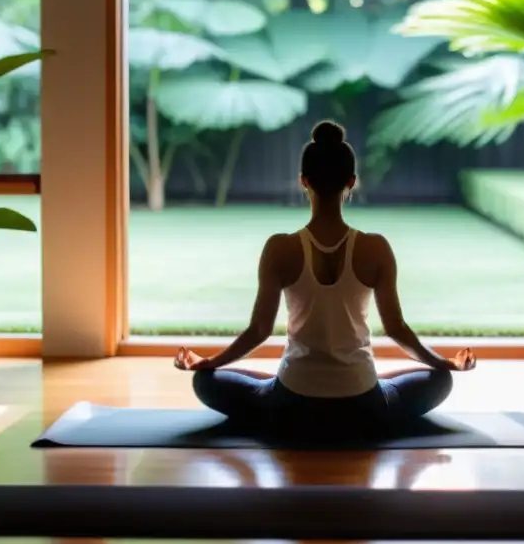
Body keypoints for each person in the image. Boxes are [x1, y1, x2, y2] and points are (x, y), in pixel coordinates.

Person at [174, 119, 476, 440]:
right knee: (440, 379)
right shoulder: (376, 247)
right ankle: (368, 391)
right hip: (365, 406)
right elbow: (396, 329)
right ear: (352, 182)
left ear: (303, 181)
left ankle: (275, 391)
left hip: (290, 405)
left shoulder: (280, 247)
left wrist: (210, 362)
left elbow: (259, 331)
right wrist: (444, 363)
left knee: (205, 381)